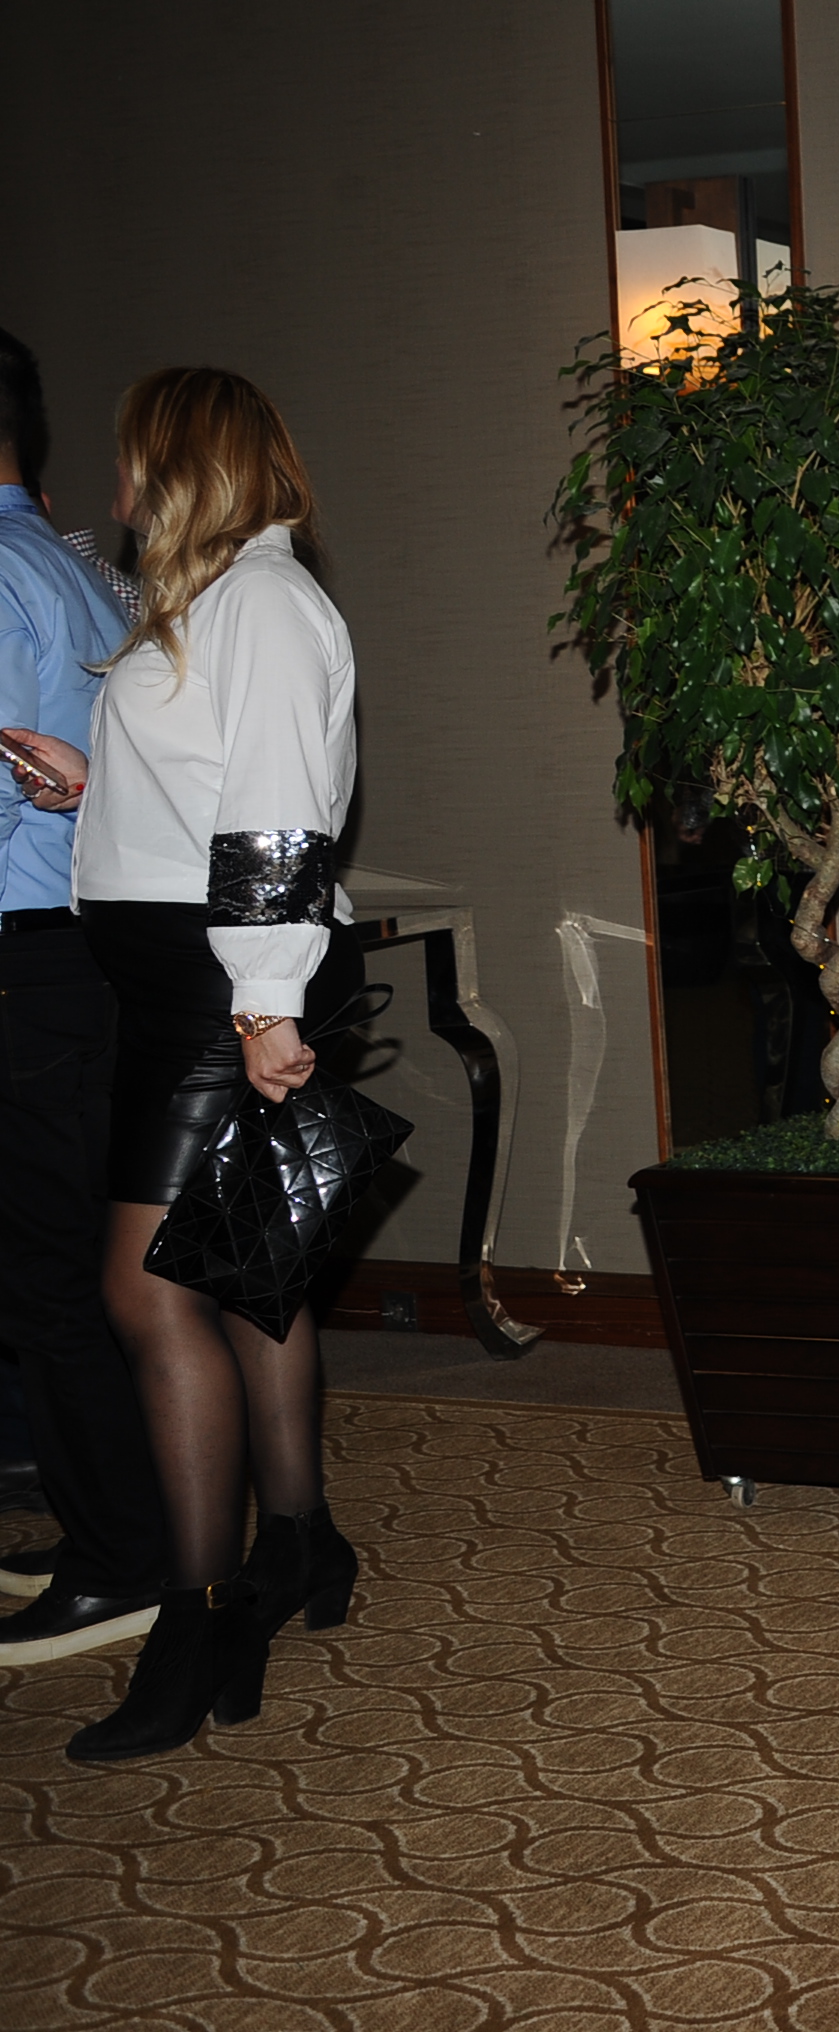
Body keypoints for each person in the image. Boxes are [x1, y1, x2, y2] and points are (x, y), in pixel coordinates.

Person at [7, 369, 366, 1762]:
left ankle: (196, 1614)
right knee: (246, 1270)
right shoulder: (214, 605)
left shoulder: (263, 603)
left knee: (146, 1289)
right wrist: (93, 780)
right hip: (187, 978)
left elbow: (278, 815)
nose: (117, 491)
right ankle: (301, 1541)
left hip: (225, 987)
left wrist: (267, 1007)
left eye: (135, 463)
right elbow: (210, 788)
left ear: (184, 466)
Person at [0, 328, 164, 1671]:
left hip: (25, 958)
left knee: (51, 1278)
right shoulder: (82, 567)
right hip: (88, 949)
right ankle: (120, 1526)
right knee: (88, 1268)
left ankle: (122, 1560)